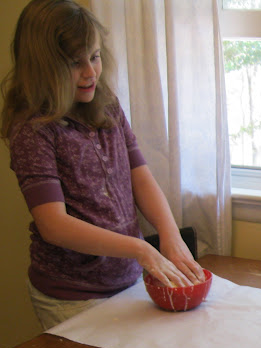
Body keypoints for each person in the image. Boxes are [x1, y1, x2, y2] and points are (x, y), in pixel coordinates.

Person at [1, 0, 205, 330]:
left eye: (94, 57)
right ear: (43, 67)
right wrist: (141, 248)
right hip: (71, 296)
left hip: (126, 281)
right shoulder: (33, 129)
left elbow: (139, 175)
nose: (90, 72)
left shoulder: (106, 103)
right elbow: (53, 225)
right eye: (74, 63)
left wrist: (167, 233)